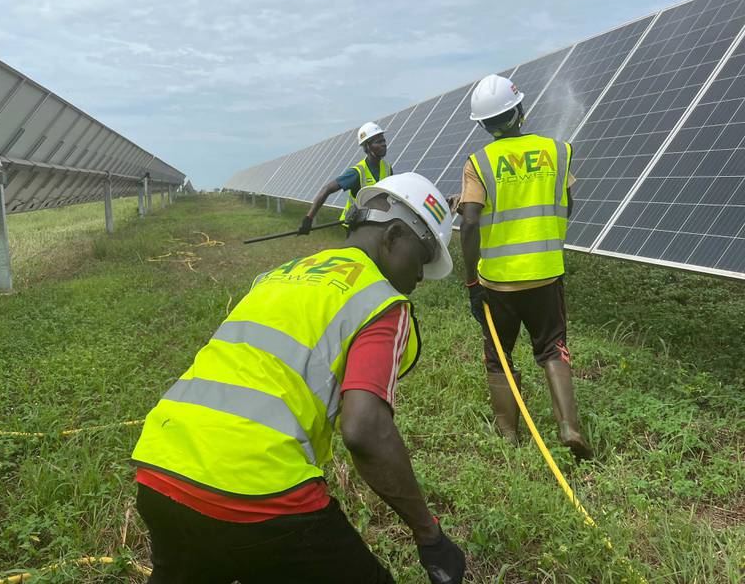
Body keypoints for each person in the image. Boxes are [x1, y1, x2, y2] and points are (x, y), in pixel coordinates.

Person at [132, 172, 466, 584]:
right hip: (259, 493)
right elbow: (365, 430)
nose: (420, 277)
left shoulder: (280, 274)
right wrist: (430, 536)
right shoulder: (383, 303)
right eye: (423, 257)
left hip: (159, 468)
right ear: (394, 236)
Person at [456, 73, 592, 461]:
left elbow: (469, 222)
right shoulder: (558, 150)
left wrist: (470, 280)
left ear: (483, 125)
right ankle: (568, 426)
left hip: (497, 283)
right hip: (547, 273)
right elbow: (565, 200)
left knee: (499, 355)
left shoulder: (478, 163)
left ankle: (509, 436)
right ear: (520, 111)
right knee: (552, 347)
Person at [299, 121, 392, 234]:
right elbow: (326, 189)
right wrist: (309, 218)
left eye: (383, 140)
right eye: (378, 142)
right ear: (367, 146)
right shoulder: (357, 172)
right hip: (355, 224)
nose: (384, 144)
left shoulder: (388, 168)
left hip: (374, 222)